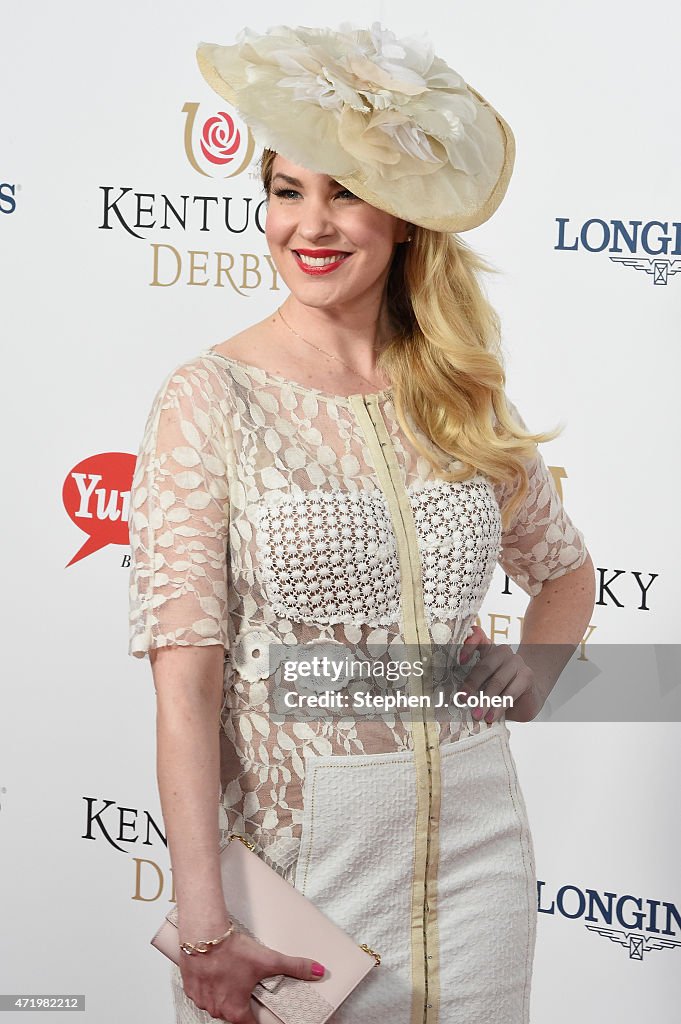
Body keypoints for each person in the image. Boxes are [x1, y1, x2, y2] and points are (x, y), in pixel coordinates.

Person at [128, 22, 596, 1024]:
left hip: (481, 863)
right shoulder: (209, 399)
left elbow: (564, 572)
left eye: (346, 191)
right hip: (302, 880)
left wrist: (533, 675)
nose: (312, 223)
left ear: (407, 218)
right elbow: (186, 683)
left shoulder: (457, 393)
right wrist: (206, 922)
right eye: (288, 190)